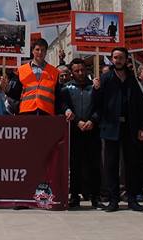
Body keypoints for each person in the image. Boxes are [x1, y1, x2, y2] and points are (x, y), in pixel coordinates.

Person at [92, 47, 143, 212]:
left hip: (130, 127)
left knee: (131, 164)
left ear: (126, 59)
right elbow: (96, 103)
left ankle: (132, 199)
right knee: (111, 165)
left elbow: (140, 105)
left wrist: (141, 127)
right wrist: (96, 89)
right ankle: (113, 200)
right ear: (112, 59)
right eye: (115, 57)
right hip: (111, 127)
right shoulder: (105, 78)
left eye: (121, 57)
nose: (118, 60)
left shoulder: (133, 79)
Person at [60, 57, 100, 208]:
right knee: (75, 165)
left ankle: (95, 196)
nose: (80, 73)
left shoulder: (94, 87)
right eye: (77, 71)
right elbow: (63, 105)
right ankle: (74, 195)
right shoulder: (66, 88)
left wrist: (93, 120)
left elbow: (100, 106)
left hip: (92, 129)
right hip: (75, 130)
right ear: (72, 72)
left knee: (94, 165)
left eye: (82, 70)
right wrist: (77, 121)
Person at [9, 38, 59, 115]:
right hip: (26, 112)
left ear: (46, 52)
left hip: (46, 113)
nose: (40, 52)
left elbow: (58, 95)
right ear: (32, 51)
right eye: (37, 49)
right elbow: (16, 94)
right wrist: (7, 89)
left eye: (43, 50)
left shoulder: (54, 72)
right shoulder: (21, 70)